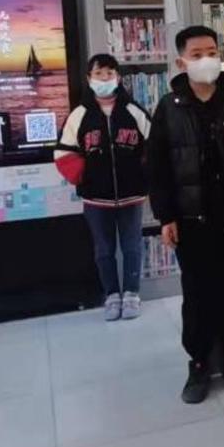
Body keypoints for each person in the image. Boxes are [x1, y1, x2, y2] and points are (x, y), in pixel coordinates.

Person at [147, 26, 224, 404]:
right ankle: (199, 362)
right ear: (181, 61)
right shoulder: (169, 108)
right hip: (190, 219)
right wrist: (165, 216)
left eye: (212, 52)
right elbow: (157, 167)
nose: (207, 60)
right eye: (197, 54)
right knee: (197, 292)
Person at [55, 53, 151, 321]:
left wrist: (144, 175)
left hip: (132, 196)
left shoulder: (134, 111)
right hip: (96, 199)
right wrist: (85, 177)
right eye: (99, 73)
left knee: (132, 246)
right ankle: (111, 295)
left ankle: (132, 293)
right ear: (89, 79)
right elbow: (63, 153)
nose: (104, 78)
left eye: (110, 73)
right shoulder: (79, 115)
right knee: (103, 250)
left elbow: (155, 147)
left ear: (118, 78)